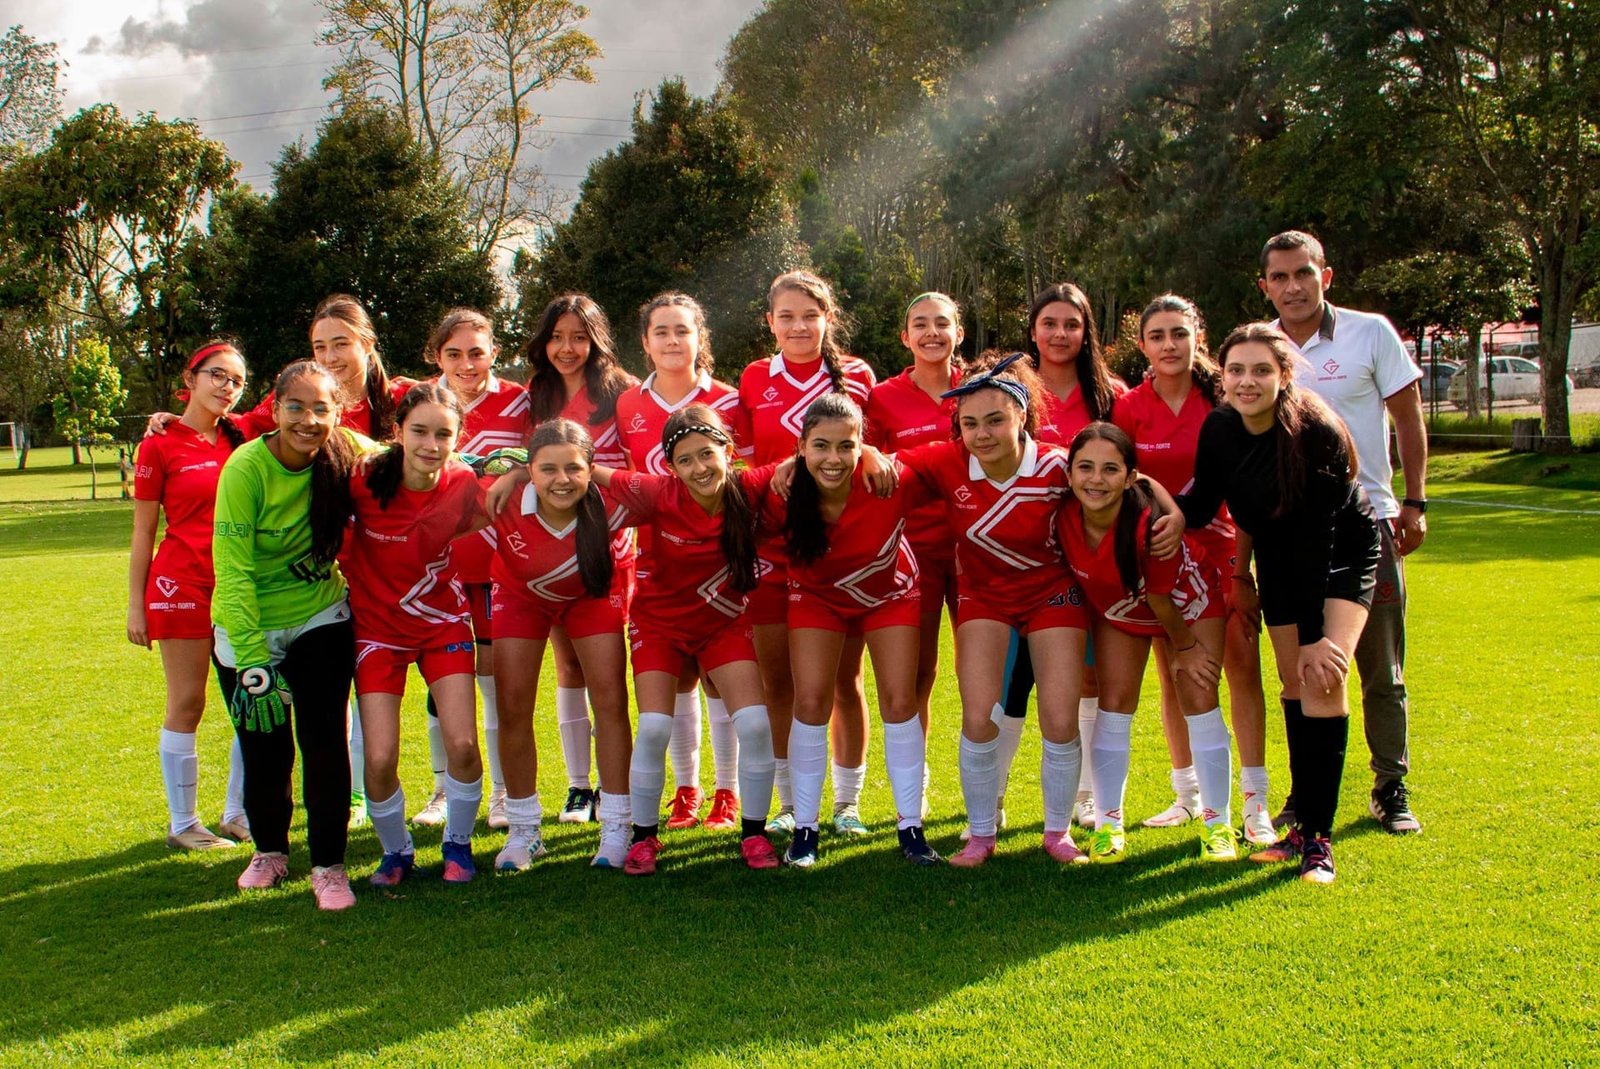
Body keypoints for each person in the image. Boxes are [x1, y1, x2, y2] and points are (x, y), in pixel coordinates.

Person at [1177, 323, 1381, 884]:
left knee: (1322, 678)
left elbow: (1322, 539)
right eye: (1236, 371)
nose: (1247, 381)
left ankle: (1318, 841)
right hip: (1281, 558)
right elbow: (1201, 503)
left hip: (1340, 553)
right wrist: (1152, 503)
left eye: (1261, 370)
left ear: (1283, 375)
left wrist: (1319, 634)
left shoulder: (1314, 431)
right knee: (1294, 684)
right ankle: (1301, 823)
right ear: (1223, 378)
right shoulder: (1219, 428)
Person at [1258, 230, 1426, 836]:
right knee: (1300, 671)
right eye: (1279, 277)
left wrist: (1413, 501)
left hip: (1367, 523)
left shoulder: (1370, 332)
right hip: (1287, 539)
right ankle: (1305, 797)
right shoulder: (1261, 346)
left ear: (1325, 276)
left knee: (1378, 666)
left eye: (1303, 273)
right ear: (1265, 286)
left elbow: (1407, 416)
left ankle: (1391, 785)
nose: (1292, 286)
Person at [895, 352, 1090, 868]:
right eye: (970, 423)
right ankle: (980, 835)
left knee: (1058, 717)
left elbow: (1118, 488)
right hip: (984, 598)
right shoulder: (946, 460)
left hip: (1053, 596)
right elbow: (885, 470)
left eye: (996, 420)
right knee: (979, 717)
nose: (982, 434)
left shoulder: (1057, 465)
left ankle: (1056, 833)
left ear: (1022, 417)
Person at [1113, 294, 1274, 844]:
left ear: (1197, 337)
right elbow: (1123, 481)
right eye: (1157, 336)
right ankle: (1189, 796)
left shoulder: (1225, 399)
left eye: (1179, 334)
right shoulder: (1130, 407)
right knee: (1176, 672)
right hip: (1160, 555)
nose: (1169, 345)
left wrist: (1241, 570)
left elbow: (1247, 488)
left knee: (1240, 669)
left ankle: (1255, 803)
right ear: (1143, 345)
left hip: (1224, 550)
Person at [593, 404, 780, 875]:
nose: (699, 468)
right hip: (660, 627)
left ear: (729, 451)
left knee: (756, 724)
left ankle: (754, 834)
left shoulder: (749, 486)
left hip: (723, 624)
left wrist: (868, 453)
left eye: (707, 454)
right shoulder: (658, 493)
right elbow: (589, 470)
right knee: (654, 728)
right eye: (685, 460)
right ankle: (643, 838)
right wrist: (521, 471)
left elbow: (805, 459)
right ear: (670, 467)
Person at [213, 360, 363, 910]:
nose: (308, 419)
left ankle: (329, 866)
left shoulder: (345, 448)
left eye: (321, 408)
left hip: (319, 615)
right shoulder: (246, 468)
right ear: (273, 410)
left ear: (337, 413)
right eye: (295, 407)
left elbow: (412, 458)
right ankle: (270, 852)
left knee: (324, 742)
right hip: (246, 625)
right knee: (264, 747)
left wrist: (487, 465)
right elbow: (231, 570)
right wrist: (252, 659)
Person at [765, 394, 938, 867]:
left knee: (900, 702)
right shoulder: (782, 487)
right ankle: (805, 828)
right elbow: (720, 485)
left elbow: (962, 454)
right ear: (800, 446)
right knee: (811, 700)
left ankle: (910, 830)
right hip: (818, 598)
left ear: (864, 445)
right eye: (821, 446)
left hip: (890, 594)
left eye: (847, 446)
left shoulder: (889, 477)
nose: (834, 459)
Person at [738, 270, 880, 837]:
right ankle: (792, 802)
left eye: (810, 315)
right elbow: (746, 466)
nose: (799, 326)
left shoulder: (860, 375)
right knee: (780, 685)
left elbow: (869, 454)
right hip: (773, 548)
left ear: (828, 318)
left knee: (845, 684)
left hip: (840, 552)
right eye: (787, 316)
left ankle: (846, 804)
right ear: (770, 322)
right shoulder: (752, 378)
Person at [1060, 422, 1236, 863]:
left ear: (1129, 477)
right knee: (1114, 701)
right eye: (1085, 467)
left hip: (1187, 605)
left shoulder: (1153, 527)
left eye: (1109, 469)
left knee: (1198, 694)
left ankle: (1218, 825)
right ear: (1068, 475)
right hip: (1124, 608)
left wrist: (1187, 650)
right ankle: (1108, 825)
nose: (1095, 479)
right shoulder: (1063, 513)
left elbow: (1161, 599)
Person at [990, 283, 1129, 833]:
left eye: (1071, 324)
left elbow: (1129, 468)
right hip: (1020, 557)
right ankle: (991, 797)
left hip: (1093, 554)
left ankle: (1087, 799)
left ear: (1086, 330)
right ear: (1033, 328)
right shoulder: (1014, 389)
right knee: (1010, 678)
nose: (1060, 334)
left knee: (1088, 677)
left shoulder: (1110, 394)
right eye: (1049, 323)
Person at [612, 293, 746, 832]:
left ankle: (727, 791)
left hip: (720, 560)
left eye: (682, 331)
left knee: (720, 678)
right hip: (658, 561)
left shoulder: (730, 400)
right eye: (660, 331)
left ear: (699, 338)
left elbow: (747, 474)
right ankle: (686, 791)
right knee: (679, 680)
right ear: (644, 343)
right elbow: (626, 481)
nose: (672, 341)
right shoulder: (627, 405)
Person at [345, 382, 487, 887]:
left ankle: (458, 843)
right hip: (377, 633)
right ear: (397, 431)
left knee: (463, 745)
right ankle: (396, 852)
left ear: (458, 437)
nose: (431, 444)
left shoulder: (464, 482)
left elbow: (506, 505)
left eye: (443, 434)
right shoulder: (361, 480)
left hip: (442, 625)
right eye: (420, 431)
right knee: (379, 756)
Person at [487, 418, 635, 870]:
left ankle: (617, 825)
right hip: (519, 598)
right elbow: (443, 478)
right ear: (530, 471)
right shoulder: (504, 496)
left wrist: (604, 473)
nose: (561, 480)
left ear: (590, 469)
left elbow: (662, 487)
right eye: (547, 469)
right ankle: (524, 830)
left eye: (574, 468)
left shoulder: (610, 500)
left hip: (591, 598)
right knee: (511, 706)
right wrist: (510, 471)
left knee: (609, 700)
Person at [128, 341, 251, 851]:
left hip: (238, 586)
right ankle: (184, 825)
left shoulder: (242, 438)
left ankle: (239, 813)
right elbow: (143, 532)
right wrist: (136, 604)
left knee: (251, 698)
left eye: (237, 381)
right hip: (178, 586)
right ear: (191, 377)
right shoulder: (158, 444)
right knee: (188, 702)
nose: (226, 387)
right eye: (217, 375)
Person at [411, 308, 529, 832]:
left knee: (498, 683)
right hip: (438, 567)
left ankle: (504, 792)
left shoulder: (519, 400)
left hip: (503, 565)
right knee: (444, 684)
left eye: (476, 352)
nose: (466, 363)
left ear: (494, 354)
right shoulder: (417, 398)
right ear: (437, 356)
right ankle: (443, 789)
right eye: (453, 353)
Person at [520, 295, 636, 828]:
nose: (567, 349)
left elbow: (641, 468)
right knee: (567, 665)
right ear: (544, 342)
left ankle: (620, 791)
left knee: (607, 672)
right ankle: (577, 787)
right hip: (550, 545)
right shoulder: (534, 395)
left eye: (579, 337)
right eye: (557, 337)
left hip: (609, 545)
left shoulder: (623, 391)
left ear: (596, 339)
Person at [865, 293, 962, 765]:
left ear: (958, 334)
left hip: (975, 548)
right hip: (913, 550)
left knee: (982, 673)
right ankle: (915, 780)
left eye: (941, 323)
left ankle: (988, 791)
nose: (931, 333)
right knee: (918, 672)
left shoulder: (981, 388)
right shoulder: (881, 397)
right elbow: (864, 461)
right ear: (905, 337)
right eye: (920, 324)